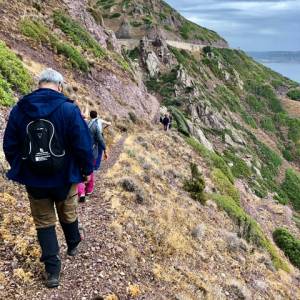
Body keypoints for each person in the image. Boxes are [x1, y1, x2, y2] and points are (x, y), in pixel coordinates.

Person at [3, 68, 94, 288]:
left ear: (39, 84)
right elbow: (83, 145)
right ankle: (73, 243)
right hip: (65, 176)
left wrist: (22, 166)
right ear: (59, 85)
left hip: (34, 180)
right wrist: (86, 170)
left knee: (44, 222)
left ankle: (53, 271)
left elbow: (9, 145)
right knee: (68, 211)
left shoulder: (20, 109)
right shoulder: (69, 109)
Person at [77, 110, 108, 202]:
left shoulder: (76, 125)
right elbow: (100, 139)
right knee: (90, 171)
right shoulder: (94, 125)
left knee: (79, 171)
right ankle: (89, 190)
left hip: (78, 152)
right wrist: (105, 150)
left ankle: (81, 192)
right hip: (91, 152)